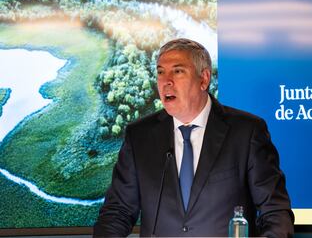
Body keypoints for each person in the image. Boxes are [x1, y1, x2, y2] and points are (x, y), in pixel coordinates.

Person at [93, 38, 294, 237]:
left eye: (178, 71)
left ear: (204, 79)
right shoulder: (139, 136)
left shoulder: (247, 132)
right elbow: (117, 213)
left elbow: (275, 212)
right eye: (161, 72)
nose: (166, 81)